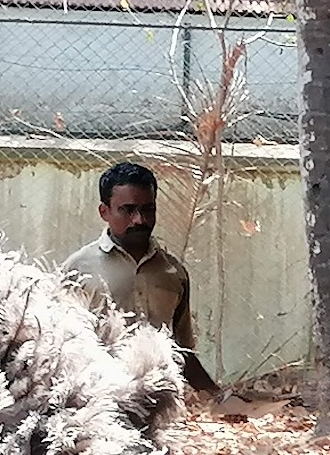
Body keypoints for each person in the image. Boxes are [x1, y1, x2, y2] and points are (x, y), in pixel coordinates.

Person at [62, 161, 221, 398]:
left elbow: (181, 352)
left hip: (159, 403)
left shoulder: (173, 273)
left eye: (148, 209)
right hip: (97, 403)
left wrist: (219, 399)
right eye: (127, 210)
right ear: (104, 212)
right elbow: (62, 348)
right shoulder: (77, 269)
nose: (139, 220)